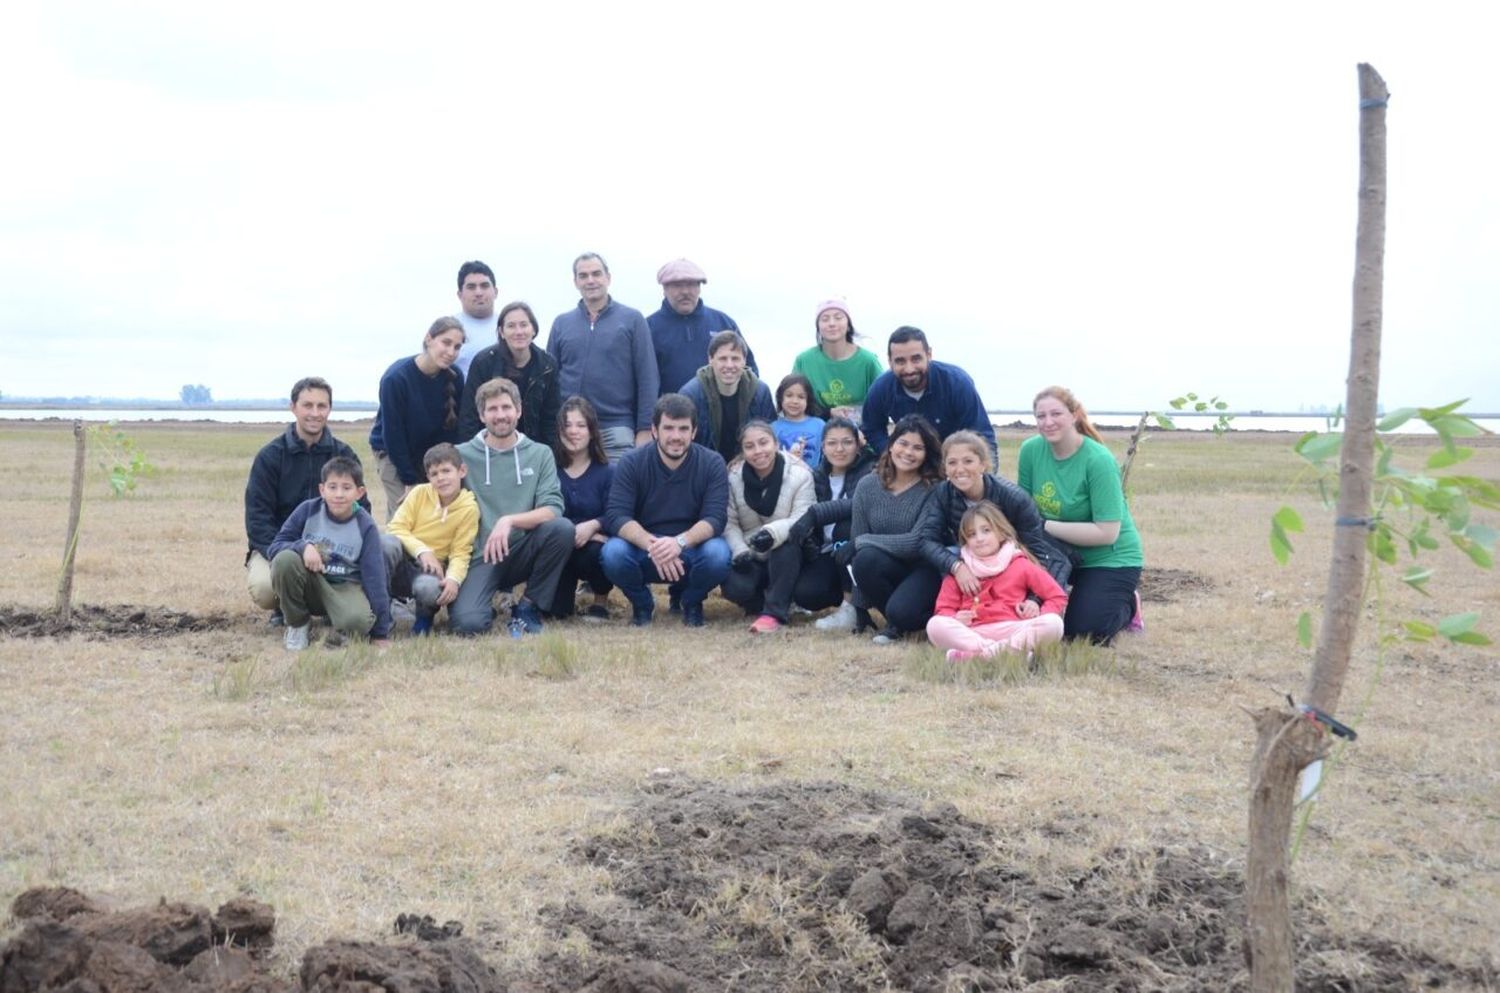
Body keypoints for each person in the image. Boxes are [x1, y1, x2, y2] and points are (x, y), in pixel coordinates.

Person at [1017, 386, 1145, 644]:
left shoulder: (1098, 460)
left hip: (1108, 558)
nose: (1048, 422)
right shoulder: (1030, 450)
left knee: (1083, 633)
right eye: (1041, 416)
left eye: (1056, 414)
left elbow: (1107, 533)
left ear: (1074, 415)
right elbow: (1023, 510)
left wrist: (1045, 525)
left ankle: (1129, 604)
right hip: (1055, 553)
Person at [449, 377, 575, 636]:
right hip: (479, 556)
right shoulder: (460, 455)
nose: (501, 415)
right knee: (468, 624)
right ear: (482, 416)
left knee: (562, 529)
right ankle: (481, 605)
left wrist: (509, 521)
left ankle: (528, 606)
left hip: (522, 549)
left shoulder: (540, 453)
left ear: (519, 411)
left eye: (506, 407)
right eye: (492, 409)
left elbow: (552, 508)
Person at [244, 376, 369, 625]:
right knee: (265, 588)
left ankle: (332, 607)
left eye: (321, 406)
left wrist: (334, 552)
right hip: (281, 547)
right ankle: (287, 611)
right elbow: (258, 520)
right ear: (293, 407)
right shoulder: (270, 456)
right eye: (307, 405)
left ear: (329, 409)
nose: (315, 413)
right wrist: (290, 551)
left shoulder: (344, 454)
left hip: (334, 550)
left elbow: (361, 510)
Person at [601, 393, 731, 627]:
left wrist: (678, 543)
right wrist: (655, 546)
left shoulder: (712, 463)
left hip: (692, 548)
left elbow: (715, 518)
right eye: (668, 428)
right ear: (654, 430)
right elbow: (617, 515)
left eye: (683, 429)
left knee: (718, 555)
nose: (676, 436)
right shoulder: (631, 462)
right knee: (613, 553)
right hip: (645, 548)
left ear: (694, 432)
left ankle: (690, 602)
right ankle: (642, 605)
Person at [920, 430, 1077, 594]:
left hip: (1013, 558)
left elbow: (1035, 553)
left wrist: (1033, 600)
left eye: (968, 461)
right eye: (952, 462)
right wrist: (956, 566)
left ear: (983, 464)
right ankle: (959, 604)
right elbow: (927, 540)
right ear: (944, 467)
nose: (960, 469)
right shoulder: (943, 493)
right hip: (974, 555)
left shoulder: (1015, 498)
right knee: (950, 554)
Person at [267, 456, 392, 651]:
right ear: (322, 490)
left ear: (359, 493)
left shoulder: (365, 525)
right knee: (284, 560)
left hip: (344, 585)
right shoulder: (307, 510)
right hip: (312, 581)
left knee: (358, 623)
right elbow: (275, 547)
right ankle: (298, 624)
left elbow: (375, 577)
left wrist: (380, 632)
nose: (339, 494)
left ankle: (341, 625)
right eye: (332, 487)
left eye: (346, 488)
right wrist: (303, 547)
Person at [546, 252, 659, 461]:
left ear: (608, 278)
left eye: (596, 274)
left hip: (616, 428)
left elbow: (647, 376)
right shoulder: (561, 323)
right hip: (571, 429)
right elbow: (549, 380)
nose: (590, 280)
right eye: (584, 275)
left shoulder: (632, 320)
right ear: (575, 281)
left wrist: (645, 428)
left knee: (618, 491)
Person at [925, 502, 1068, 661]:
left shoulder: (1020, 564)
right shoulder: (961, 570)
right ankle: (1009, 654)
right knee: (935, 625)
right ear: (965, 541)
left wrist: (1039, 612)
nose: (979, 539)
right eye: (972, 534)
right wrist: (956, 618)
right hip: (974, 631)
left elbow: (1057, 596)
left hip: (1014, 628)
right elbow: (943, 609)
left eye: (986, 531)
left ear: (1001, 533)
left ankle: (977, 657)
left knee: (1053, 623)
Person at [849, 414, 944, 644]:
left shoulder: (934, 489)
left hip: (924, 569)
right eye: (903, 443)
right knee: (864, 559)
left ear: (926, 454)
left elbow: (917, 542)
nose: (908, 452)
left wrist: (863, 541)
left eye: (918, 448)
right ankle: (895, 624)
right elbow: (857, 546)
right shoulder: (867, 485)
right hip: (886, 567)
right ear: (891, 446)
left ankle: (929, 620)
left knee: (905, 611)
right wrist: (860, 609)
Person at [720, 421, 818, 633]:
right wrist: (740, 550)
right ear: (743, 451)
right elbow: (730, 522)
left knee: (788, 546)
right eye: (750, 446)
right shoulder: (733, 478)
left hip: (786, 550)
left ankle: (774, 613)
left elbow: (803, 517)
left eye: (763, 443)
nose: (758, 451)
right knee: (735, 587)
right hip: (751, 551)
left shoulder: (801, 474)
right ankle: (759, 603)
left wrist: (773, 533)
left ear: (775, 443)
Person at [783, 416, 878, 632]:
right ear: (823, 447)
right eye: (832, 443)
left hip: (858, 547)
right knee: (807, 593)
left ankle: (851, 608)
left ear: (858, 445)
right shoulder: (816, 475)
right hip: (826, 551)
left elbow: (858, 504)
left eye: (847, 442)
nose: (840, 449)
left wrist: (815, 514)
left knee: (844, 527)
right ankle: (852, 593)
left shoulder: (870, 470)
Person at [369, 317, 466, 521]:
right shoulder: (396, 378)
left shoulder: (455, 377)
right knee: (406, 514)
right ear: (429, 339)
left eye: (457, 347)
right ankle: (393, 551)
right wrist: (409, 479)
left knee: (438, 514)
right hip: (393, 452)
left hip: (431, 454)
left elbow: (453, 431)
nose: (451, 352)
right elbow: (393, 434)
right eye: (446, 343)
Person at [380, 443, 480, 635]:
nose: (441, 478)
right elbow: (395, 527)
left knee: (429, 588)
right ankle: (383, 612)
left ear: (462, 471)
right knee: (385, 543)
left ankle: (424, 618)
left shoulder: (468, 508)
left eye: (446, 471)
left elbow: (461, 551)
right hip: (404, 560)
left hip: (431, 571)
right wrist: (422, 551)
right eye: (434, 474)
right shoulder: (419, 494)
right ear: (428, 477)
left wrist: (453, 579)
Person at [861, 326, 997, 459]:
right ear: (890, 361)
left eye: (916, 359)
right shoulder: (881, 388)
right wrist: (891, 456)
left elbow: (981, 435)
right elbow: (871, 428)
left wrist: (984, 477)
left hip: (951, 463)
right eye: (900, 361)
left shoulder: (957, 383)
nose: (909, 369)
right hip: (909, 463)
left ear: (929, 354)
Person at [647, 257, 758, 398]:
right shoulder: (648, 329)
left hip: (722, 414)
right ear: (664, 289)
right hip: (673, 416)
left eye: (692, 285)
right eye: (677, 285)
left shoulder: (723, 323)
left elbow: (750, 369)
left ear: (699, 288)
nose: (685, 291)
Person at [548, 396, 615, 619]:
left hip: (593, 547)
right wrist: (576, 530)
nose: (573, 431)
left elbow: (616, 512)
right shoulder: (549, 469)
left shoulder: (608, 472)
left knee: (598, 551)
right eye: (567, 425)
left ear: (592, 431)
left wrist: (594, 527)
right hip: (560, 547)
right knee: (556, 614)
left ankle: (600, 601)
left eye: (580, 425)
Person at [458, 301, 561, 446]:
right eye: (511, 326)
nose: (518, 332)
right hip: (491, 446)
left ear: (533, 330)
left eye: (524, 325)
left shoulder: (547, 365)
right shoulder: (484, 362)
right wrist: (472, 455)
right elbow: (469, 416)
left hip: (533, 448)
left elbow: (551, 417)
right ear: (501, 332)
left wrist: (549, 455)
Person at [677, 330, 775, 462]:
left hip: (750, 465)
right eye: (723, 359)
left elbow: (770, 438)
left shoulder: (760, 391)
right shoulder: (691, 394)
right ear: (710, 360)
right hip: (704, 467)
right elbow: (683, 441)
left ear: (744, 361)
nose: (729, 365)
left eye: (735, 359)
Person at [791, 299, 884, 421]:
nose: (832, 323)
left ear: (849, 325)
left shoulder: (869, 361)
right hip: (816, 431)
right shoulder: (803, 361)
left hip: (861, 432)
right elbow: (793, 401)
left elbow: (883, 401)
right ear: (818, 327)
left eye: (838, 317)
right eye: (825, 319)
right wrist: (828, 412)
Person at [770, 373, 828, 470]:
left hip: (814, 479)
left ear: (808, 400)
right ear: (781, 398)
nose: (795, 401)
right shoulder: (772, 428)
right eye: (789, 395)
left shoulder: (820, 425)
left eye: (801, 397)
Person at [453, 261, 499, 377]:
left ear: (495, 292)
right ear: (460, 294)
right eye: (471, 287)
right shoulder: (447, 330)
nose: (478, 293)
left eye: (484, 286)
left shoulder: (510, 327)